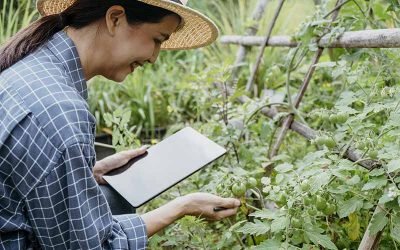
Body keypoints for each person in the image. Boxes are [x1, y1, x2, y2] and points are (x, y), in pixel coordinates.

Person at [0, 0, 241, 249]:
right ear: (115, 18)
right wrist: (182, 207)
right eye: (158, 39)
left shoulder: (30, 70)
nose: (154, 58)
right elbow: (91, 246)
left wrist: (87, 172)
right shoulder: (60, 112)